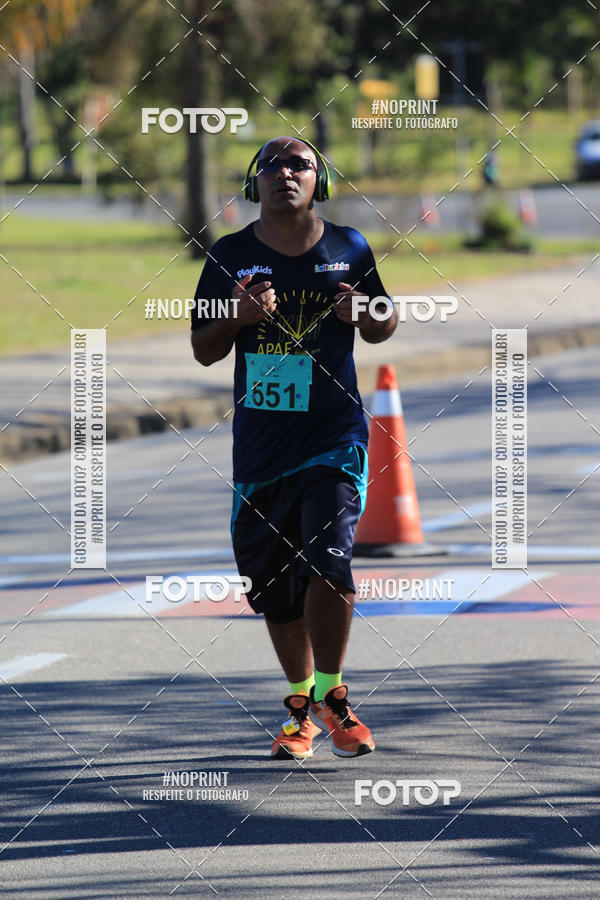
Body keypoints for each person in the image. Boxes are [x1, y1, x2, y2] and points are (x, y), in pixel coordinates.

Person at [191, 136, 397, 759]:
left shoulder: (349, 247)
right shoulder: (229, 255)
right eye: (273, 166)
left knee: (328, 563)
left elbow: (385, 322)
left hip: (334, 437)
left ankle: (334, 695)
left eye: (300, 165)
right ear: (254, 183)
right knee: (275, 590)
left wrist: (364, 313)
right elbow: (203, 348)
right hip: (262, 449)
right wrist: (239, 316)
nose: (286, 174)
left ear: (319, 182)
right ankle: (301, 706)